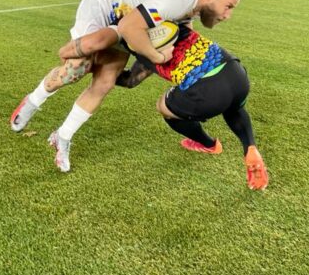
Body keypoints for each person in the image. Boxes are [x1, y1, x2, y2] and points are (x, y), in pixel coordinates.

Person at [9, 0, 241, 172]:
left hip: (127, 19)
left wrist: (152, 63)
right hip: (104, 8)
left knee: (105, 81)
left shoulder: (192, 5)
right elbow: (129, 27)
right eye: (228, 6)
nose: (228, 15)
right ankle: (32, 102)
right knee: (75, 70)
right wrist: (156, 56)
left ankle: (62, 137)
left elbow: (163, 30)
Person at [74, 23, 268, 190]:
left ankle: (208, 144)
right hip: (236, 74)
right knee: (233, 106)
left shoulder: (141, 49)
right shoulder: (176, 24)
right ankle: (250, 146)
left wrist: (97, 71)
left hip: (207, 91)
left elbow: (129, 81)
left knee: (164, 107)